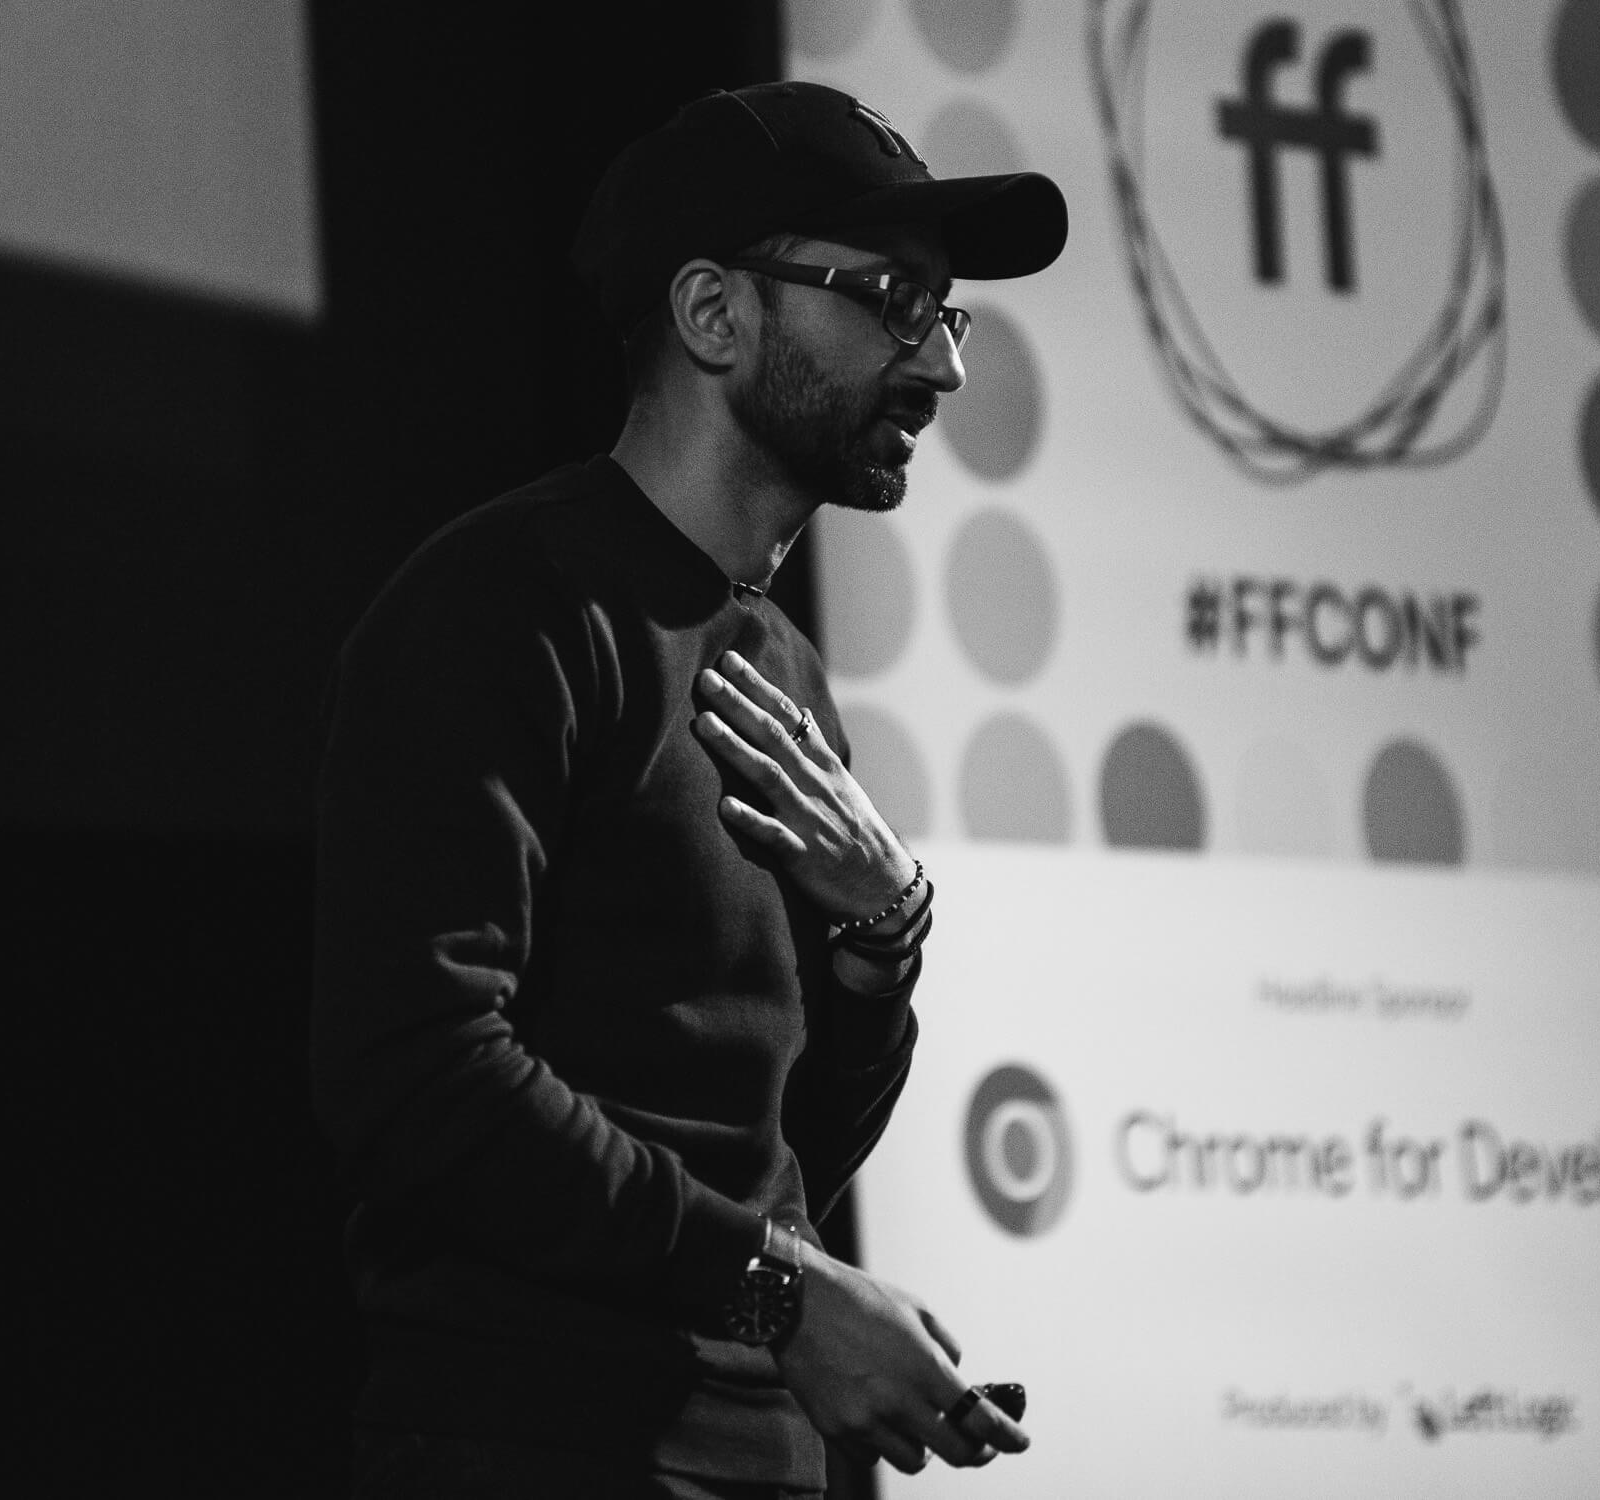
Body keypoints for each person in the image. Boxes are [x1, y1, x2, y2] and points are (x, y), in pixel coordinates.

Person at [311, 81, 1067, 1498]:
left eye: (946, 314)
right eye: (894, 297)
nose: (944, 368)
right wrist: (782, 1295)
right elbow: (413, 1078)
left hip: (766, 1458)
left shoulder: (780, 663)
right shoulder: (502, 608)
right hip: (530, 1448)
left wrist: (878, 943)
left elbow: (780, 1151)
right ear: (715, 315)